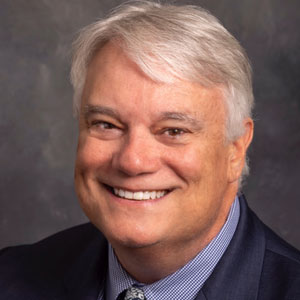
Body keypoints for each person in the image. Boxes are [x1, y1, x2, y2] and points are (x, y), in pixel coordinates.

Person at [0, 1, 299, 299]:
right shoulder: (10, 278)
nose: (133, 161)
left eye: (173, 131)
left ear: (235, 149)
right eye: (107, 125)